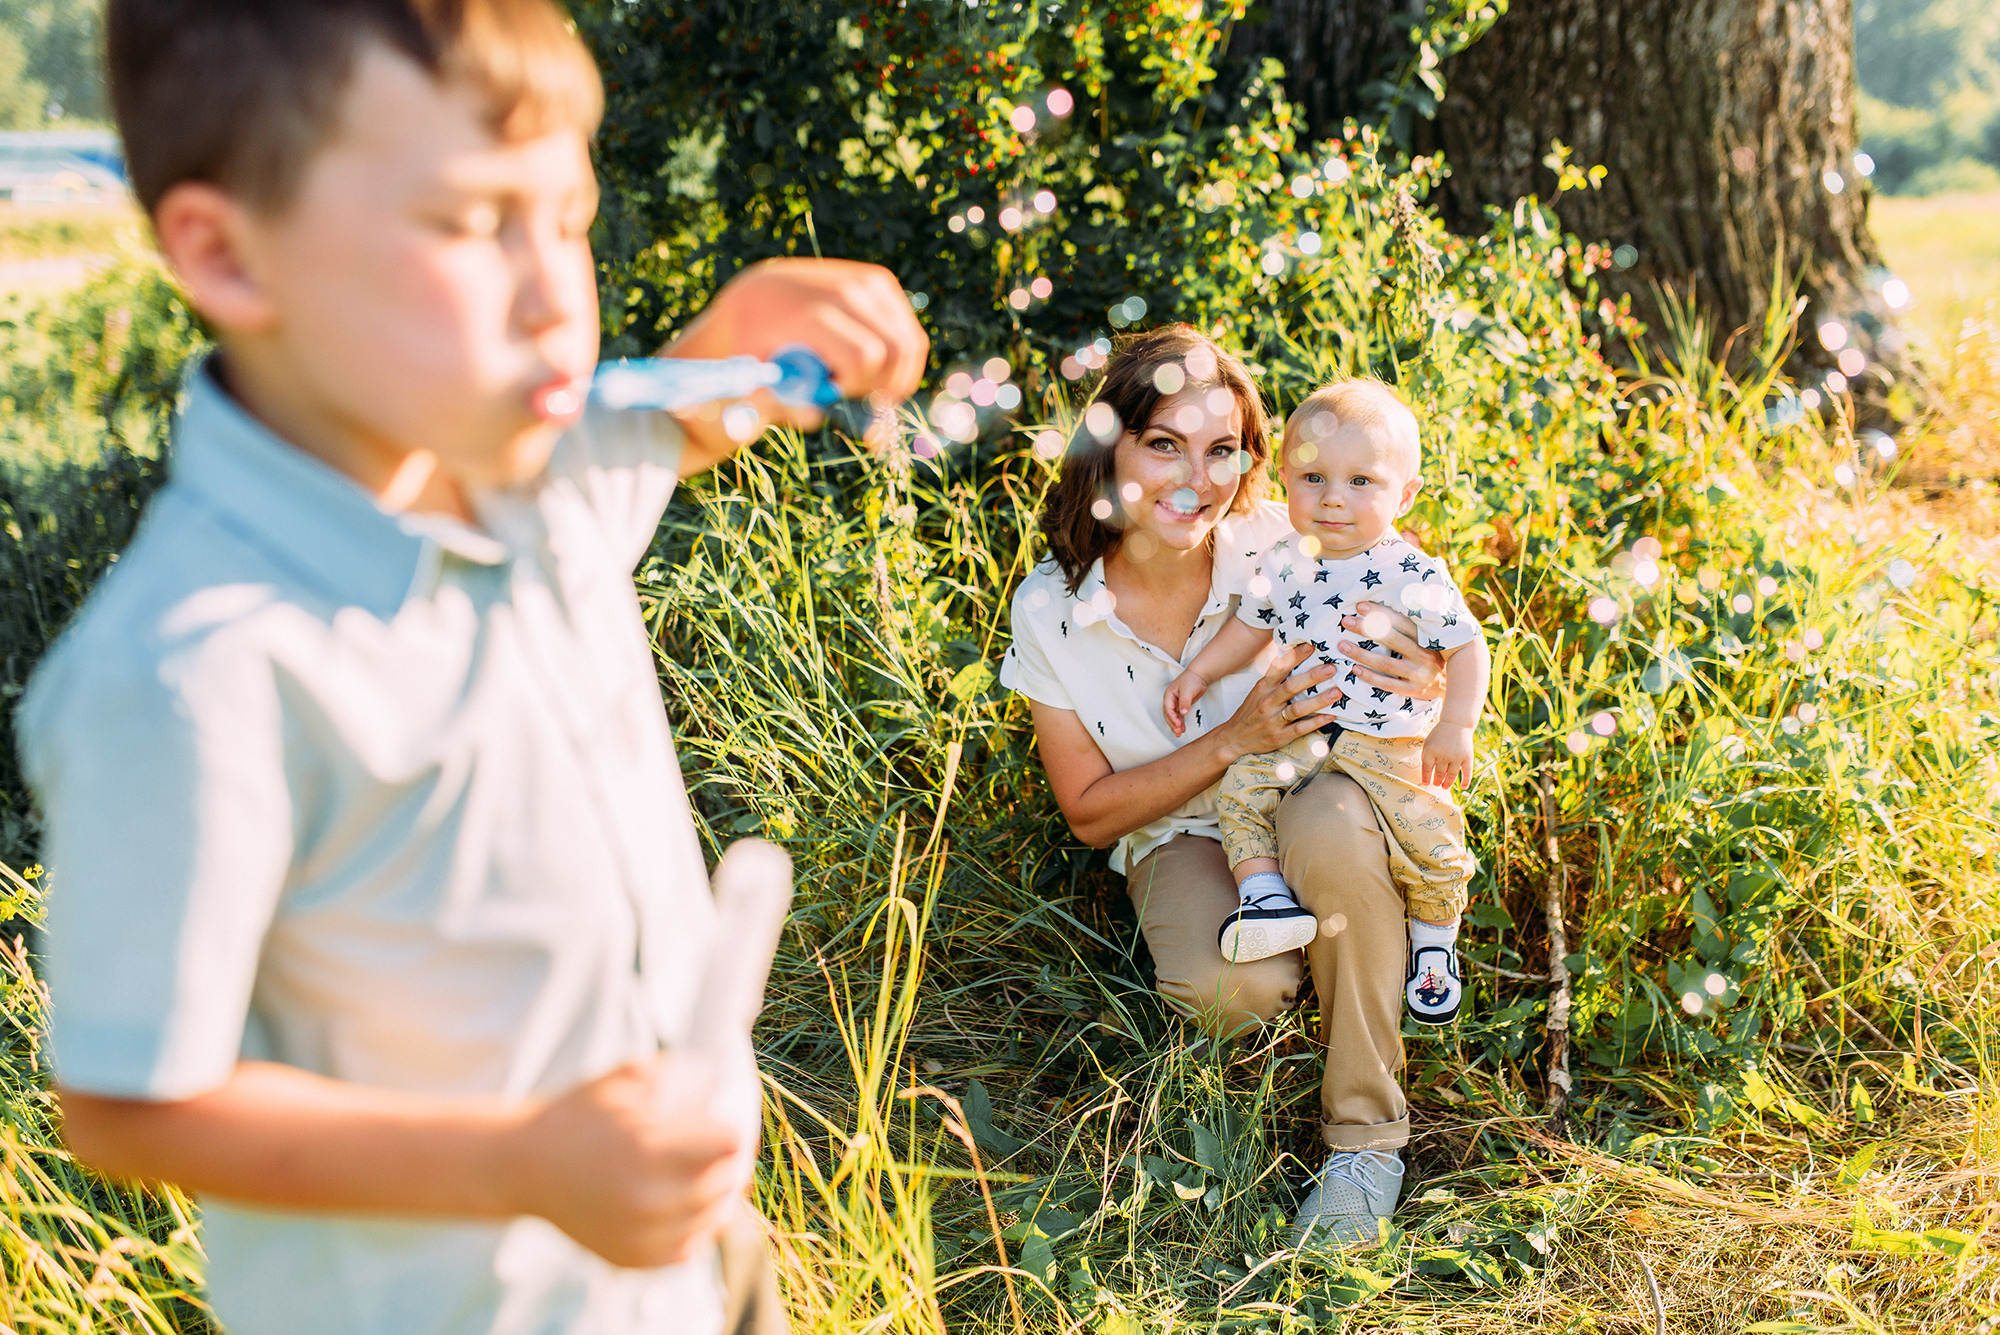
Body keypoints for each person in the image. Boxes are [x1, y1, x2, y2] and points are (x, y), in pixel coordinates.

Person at [16, 3, 925, 1333]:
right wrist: (518, 1164)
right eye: (470, 222)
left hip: (684, 1270)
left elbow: (672, 428)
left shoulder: (520, 483)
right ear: (226, 253)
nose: (559, 291)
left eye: (567, 219)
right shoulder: (197, 669)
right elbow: (128, 1101)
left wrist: (739, 335)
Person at [999, 326, 1450, 1248]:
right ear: (1109, 447)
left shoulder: (1284, 539)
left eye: (1221, 451)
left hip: (1319, 785)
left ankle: (1367, 1140)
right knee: (1229, 988)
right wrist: (1227, 741)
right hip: (1176, 830)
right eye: (1164, 444)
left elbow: (1425, 625)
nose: (1194, 479)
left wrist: (1427, 679)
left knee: (1331, 832)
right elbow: (1089, 814)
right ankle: (1332, 959)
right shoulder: (1052, 608)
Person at [1162, 379, 1488, 1032]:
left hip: (1388, 744)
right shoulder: (1283, 561)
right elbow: (1248, 627)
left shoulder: (1411, 573)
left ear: (1406, 494)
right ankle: (1266, 899)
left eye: (1361, 481)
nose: (1334, 497)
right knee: (1240, 795)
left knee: (1430, 841)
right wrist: (1197, 671)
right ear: (1285, 479)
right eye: (1313, 477)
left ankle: (1432, 944)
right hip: (1301, 735)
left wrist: (1455, 723)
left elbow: (1468, 645)